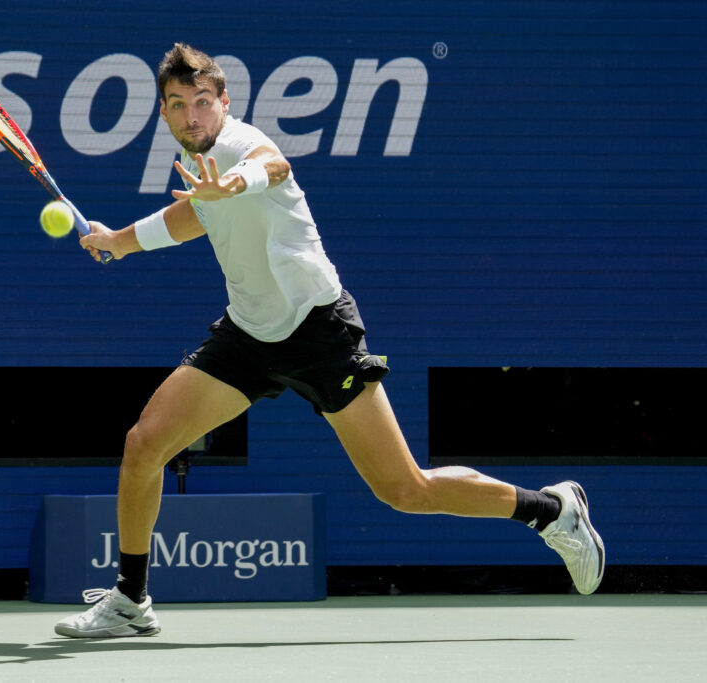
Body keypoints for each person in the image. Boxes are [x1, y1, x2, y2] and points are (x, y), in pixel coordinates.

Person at [54, 43, 605, 638]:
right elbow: (192, 218)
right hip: (248, 335)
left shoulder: (239, 147)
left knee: (404, 489)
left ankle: (551, 511)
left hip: (319, 332)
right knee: (144, 444)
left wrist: (232, 185)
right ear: (163, 113)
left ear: (224, 104)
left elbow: (273, 167)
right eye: (179, 105)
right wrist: (119, 241)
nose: (193, 117)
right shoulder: (198, 171)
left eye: (203, 103)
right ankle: (131, 599)